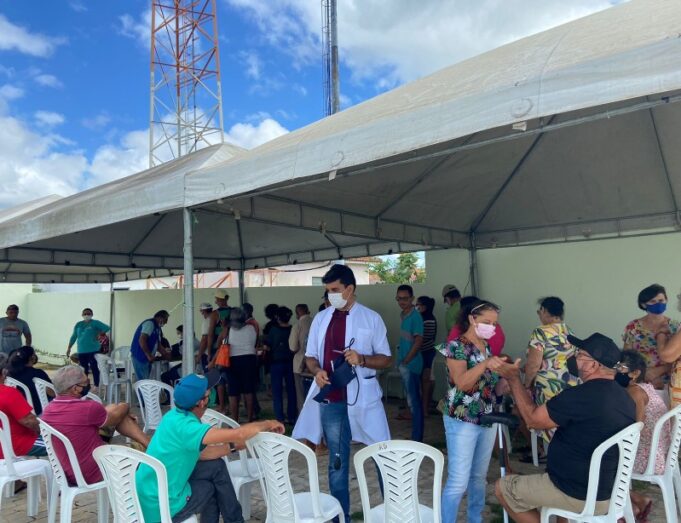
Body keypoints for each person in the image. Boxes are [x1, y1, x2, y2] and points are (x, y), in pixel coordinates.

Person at [494, 333, 636, 522]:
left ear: (593, 365)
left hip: (576, 491)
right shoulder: (624, 397)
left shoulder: (582, 396)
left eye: (580, 355)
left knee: (504, 488)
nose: (574, 358)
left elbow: (533, 420)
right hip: (607, 489)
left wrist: (513, 379)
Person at [293, 264, 393, 523]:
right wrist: (317, 371)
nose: (331, 296)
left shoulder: (371, 318)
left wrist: (362, 359)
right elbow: (311, 357)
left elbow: (386, 359)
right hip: (332, 399)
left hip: (364, 399)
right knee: (337, 463)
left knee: (383, 456)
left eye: (335, 290)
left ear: (350, 289)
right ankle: (341, 518)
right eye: (328, 291)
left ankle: (393, 515)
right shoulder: (321, 318)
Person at [135, 371, 284, 523]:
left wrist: (232, 446)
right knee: (210, 488)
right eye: (209, 392)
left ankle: (235, 520)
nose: (212, 393)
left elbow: (201, 454)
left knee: (216, 466)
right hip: (162, 506)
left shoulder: (173, 416)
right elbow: (239, 434)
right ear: (202, 402)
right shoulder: (188, 428)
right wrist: (268, 423)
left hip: (152, 490)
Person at [438, 299, 506, 523]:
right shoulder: (456, 346)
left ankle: (474, 519)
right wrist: (485, 364)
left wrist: (506, 380)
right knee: (458, 482)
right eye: (487, 322)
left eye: (494, 324)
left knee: (478, 477)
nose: (491, 328)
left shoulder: (486, 347)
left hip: (486, 416)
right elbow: (462, 383)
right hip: (462, 419)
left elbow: (487, 386)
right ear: (471, 319)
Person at [41, 365, 151, 485]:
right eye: (86, 382)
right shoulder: (88, 408)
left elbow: (112, 414)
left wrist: (119, 412)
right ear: (76, 388)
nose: (89, 384)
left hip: (68, 472)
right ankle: (151, 447)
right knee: (141, 446)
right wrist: (125, 406)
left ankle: (150, 443)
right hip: (96, 471)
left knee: (115, 412)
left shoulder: (47, 411)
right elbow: (116, 415)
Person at [522, 296, 577, 460]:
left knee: (548, 421)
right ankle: (566, 458)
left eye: (539, 311)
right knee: (565, 423)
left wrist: (526, 385)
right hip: (569, 383)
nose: (539, 315)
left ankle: (552, 459)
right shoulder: (568, 330)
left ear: (545, 311)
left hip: (549, 385)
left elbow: (534, 364)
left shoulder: (540, 332)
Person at [617, 349, 669, 521]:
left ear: (635, 373)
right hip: (660, 453)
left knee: (602, 461)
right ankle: (634, 502)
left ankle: (626, 509)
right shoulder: (646, 387)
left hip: (647, 457)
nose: (615, 371)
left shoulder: (634, 392)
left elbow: (635, 428)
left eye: (620, 368)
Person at [623, 283, 679, 388]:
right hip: (641, 380)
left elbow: (678, 358)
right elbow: (627, 356)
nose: (658, 304)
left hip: (669, 381)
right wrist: (642, 373)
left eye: (661, 300)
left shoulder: (675, 327)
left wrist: (659, 371)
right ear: (644, 304)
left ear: (666, 300)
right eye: (653, 301)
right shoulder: (633, 327)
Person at [0, 353, 46, 461]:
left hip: (6, 444)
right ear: (4, 372)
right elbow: (29, 421)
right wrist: (45, 430)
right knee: (63, 443)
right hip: (17, 444)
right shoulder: (9, 393)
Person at [395, 284, 424, 441]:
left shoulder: (415, 316)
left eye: (405, 299)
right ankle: (416, 437)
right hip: (405, 363)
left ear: (412, 298)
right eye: (399, 299)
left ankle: (417, 439)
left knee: (414, 403)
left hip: (411, 364)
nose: (402, 302)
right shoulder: (403, 315)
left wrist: (406, 360)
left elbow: (418, 341)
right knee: (411, 401)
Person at [224, 307, 258, 422]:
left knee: (233, 391)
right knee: (249, 390)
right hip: (249, 359)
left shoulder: (229, 329)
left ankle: (234, 420)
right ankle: (250, 418)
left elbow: (222, 342)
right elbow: (254, 343)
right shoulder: (251, 328)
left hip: (232, 360)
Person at [265, 306, 297, 424]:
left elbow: (267, 346)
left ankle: (279, 418)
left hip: (276, 363)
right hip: (290, 362)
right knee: (291, 390)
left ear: (277, 317)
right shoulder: (293, 329)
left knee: (277, 391)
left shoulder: (273, 330)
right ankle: (292, 416)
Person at [66, 308, 110, 394]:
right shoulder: (78, 324)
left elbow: (107, 328)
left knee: (94, 368)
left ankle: (96, 385)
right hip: (81, 350)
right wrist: (69, 348)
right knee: (83, 369)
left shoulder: (95, 323)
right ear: (82, 315)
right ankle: (85, 386)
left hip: (93, 350)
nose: (86, 315)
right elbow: (74, 336)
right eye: (85, 314)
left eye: (88, 313)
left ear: (92, 314)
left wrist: (100, 334)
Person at [8, 346, 53, 415]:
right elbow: (52, 393)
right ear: (32, 358)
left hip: (20, 410)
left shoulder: (10, 374)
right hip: (39, 410)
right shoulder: (38, 373)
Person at [130, 310, 171, 381]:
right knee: (144, 381)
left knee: (146, 380)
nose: (166, 322)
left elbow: (157, 344)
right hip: (140, 356)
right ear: (160, 318)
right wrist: (149, 355)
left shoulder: (157, 328)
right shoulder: (150, 324)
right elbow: (142, 340)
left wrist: (165, 354)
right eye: (166, 319)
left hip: (146, 358)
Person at [416, 296, 437, 416]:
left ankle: (424, 409)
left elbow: (422, 339)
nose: (416, 307)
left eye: (418, 304)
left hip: (426, 353)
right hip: (422, 353)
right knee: (424, 382)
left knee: (425, 382)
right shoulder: (422, 318)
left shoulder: (428, 320)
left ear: (424, 306)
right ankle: (423, 408)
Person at [290, 303, 313, 414]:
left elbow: (293, 347)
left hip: (300, 364)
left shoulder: (297, 325)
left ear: (297, 313)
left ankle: (303, 418)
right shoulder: (315, 322)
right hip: (316, 364)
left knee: (301, 395)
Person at [196, 302, 213, 368]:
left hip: (208, 354)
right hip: (216, 352)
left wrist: (199, 356)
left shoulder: (207, 322)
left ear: (203, 311)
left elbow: (204, 339)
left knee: (208, 372)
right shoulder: (216, 320)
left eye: (201, 311)